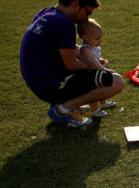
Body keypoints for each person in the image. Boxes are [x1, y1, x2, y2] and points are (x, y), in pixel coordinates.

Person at [20, 0, 124, 128]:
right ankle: (63, 109)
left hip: (39, 80)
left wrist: (91, 58)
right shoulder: (64, 23)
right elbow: (72, 64)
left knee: (98, 75)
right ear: (75, 4)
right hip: (50, 84)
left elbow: (66, 48)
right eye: (87, 13)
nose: (86, 19)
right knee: (116, 81)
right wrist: (94, 65)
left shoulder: (47, 13)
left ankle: (68, 102)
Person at [76, 18, 116, 117]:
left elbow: (95, 59)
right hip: (87, 76)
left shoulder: (93, 47)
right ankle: (95, 110)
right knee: (92, 92)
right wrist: (105, 69)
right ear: (86, 37)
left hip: (95, 73)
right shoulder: (85, 49)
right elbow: (92, 62)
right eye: (97, 39)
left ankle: (103, 103)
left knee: (100, 88)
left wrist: (101, 60)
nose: (100, 41)